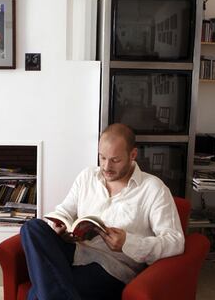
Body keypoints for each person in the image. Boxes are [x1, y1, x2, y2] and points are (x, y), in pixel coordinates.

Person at [20, 123, 185, 300]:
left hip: (112, 268)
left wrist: (127, 242)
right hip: (75, 252)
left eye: (115, 160)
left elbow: (175, 242)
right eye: (102, 158)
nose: (106, 167)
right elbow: (64, 211)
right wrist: (58, 227)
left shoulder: (153, 189)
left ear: (133, 155)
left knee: (37, 293)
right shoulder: (87, 177)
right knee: (32, 228)